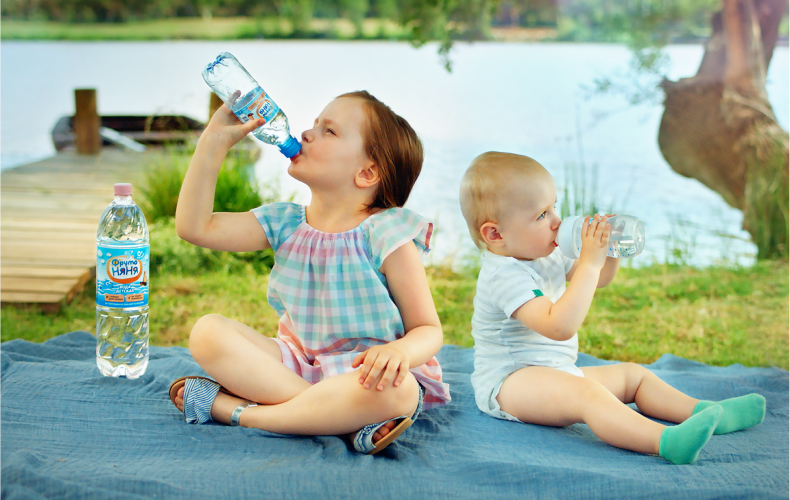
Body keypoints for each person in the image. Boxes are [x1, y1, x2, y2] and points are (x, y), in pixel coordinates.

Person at [169, 90, 451, 455]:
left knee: (402, 390)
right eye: (315, 124)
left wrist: (399, 353)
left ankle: (234, 411)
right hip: (297, 368)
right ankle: (342, 422)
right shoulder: (284, 222)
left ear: (367, 173)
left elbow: (428, 330)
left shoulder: (386, 233)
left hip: (365, 378)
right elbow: (195, 227)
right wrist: (212, 142)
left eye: (328, 131)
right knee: (207, 332)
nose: (306, 133)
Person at [459, 151, 765, 465]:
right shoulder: (503, 275)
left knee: (633, 376)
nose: (556, 222)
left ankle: (706, 411)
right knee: (588, 395)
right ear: (496, 234)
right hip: (510, 383)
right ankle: (666, 441)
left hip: (554, 372)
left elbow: (599, 278)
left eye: (554, 207)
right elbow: (559, 325)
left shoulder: (542, 252)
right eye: (541, 215)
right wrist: (589, 263)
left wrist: (609, 251)